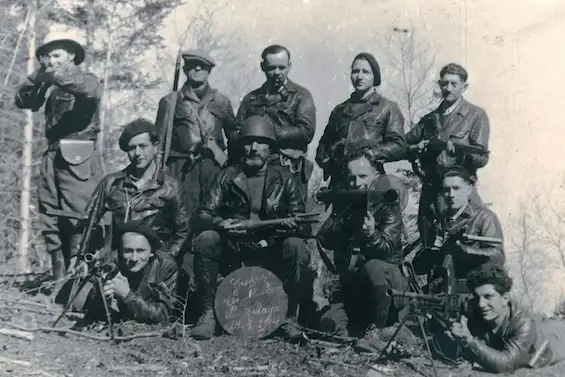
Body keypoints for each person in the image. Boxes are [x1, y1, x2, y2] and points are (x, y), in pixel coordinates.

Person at [190, 116, 311, 340]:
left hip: (270, 253)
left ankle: (289, 318)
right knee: (206, 238)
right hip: (234, 253)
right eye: (248, 143)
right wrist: (221, 224)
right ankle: (208, 314)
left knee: (297, 246)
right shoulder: (226, 177)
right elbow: (201, 215)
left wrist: (280, 230)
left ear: (270, 147)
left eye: (260, 143)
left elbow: (303, 225)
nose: (254, 148)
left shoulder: (285, 180)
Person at [14, 27, 104, 280]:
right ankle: (59, 278)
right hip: (53, 155)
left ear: (72, 56)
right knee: (50, 216)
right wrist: (36, 78)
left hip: (79, 155)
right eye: (47, 58)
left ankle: (80, 279)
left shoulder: (87, 79)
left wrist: (52, 77)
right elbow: (23, 101)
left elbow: (89, 91)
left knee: (79, 216)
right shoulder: (51, 84)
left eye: (57, 56)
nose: (51, 62)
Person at [317, 149, 407, 345]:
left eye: (362, 176)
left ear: (376, 176)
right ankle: (367, 328)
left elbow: (389, 251)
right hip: (353, 287)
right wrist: (345, 224)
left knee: (373, 266)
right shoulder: (346, 205)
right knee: (329, 326)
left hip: (386, 287)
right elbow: (324, 238)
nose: (356, 183)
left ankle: (380, 330)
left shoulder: (388, 204)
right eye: (351, 177)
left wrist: (371, 234)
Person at [405, 63, 491, 248]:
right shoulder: (429, 119)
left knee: (472, 237)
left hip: (460, 191)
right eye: (444, 84)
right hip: (431, 193)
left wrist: (461, 152)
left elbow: (482, 158)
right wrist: (417, 147)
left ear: (464, 87)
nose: (448, 89)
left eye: (453, 84)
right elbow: (402, 144)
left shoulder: (476, 115)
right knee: (430, 246)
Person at [81, 119, 190, 261]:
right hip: (119, 260)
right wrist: (82, 256)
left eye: (143, 146)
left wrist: (166, 258)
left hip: (154, 261)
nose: (137, 153)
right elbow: (87, 223)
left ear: (155, 147)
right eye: (132, 148)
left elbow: (184, 231)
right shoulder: (111, 183)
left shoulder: (171, 186)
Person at [236, 44, 316, 203]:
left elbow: (306, 131)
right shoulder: (251, 99)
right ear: (263, 67)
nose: (277, 73)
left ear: (289, 66)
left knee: (292, 218)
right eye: (272, 68)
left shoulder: (301, 96)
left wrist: (269, 133)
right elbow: (236, 130)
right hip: (256, 169)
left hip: (288, 168)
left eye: (282, 67)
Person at [316, 52, 406, 191]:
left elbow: (398, 145)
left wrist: (371, 154)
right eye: (355, 71)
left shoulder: (388, 108)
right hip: (340, 185)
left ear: (375, 76)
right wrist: (329, 161)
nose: (359, 77)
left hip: (371, 182)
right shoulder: (339, 110)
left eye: (366, 72)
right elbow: (323, 145)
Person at [447, 263, 553, 373]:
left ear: (505, 298)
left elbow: (507, 365)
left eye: (488, 297)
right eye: (477, 297)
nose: (481, 304)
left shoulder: (524, 323)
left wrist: (469, 341)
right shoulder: (475, 307)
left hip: (540, 360)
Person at [412, 166, 504, 289]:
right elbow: (418, 268)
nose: (451, 194)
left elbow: (498, 257)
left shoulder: (484, 217)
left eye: (456, 188)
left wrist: (465, 250)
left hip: (473, 289)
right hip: (440, 291)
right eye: (446, 189)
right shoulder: (440, 221)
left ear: (469, 189)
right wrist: (432, 251)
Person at [85, 220, 178, 324]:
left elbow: (163, 315)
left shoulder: (165, 266)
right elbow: (91, 310)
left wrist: (127, 295)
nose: (134, 258)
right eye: (128, 251)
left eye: (140, 251)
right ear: (120, 251)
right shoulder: (112, 262)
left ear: (151, 252)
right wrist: (101, 295)